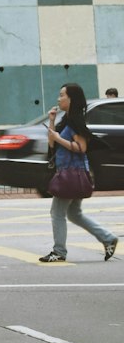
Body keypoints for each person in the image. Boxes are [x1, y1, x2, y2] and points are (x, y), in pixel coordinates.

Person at [40, 82, 118, 263]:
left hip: (72, 173)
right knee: (74, 213)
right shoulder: (66, 120)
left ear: (71, 99)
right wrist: (52, 122)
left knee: (57, 212)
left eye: (62, 95)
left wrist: (59, 138)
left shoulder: (76, 121)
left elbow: (81, 147)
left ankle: (59, 251)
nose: (58, 99)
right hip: (70, 172)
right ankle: (108, 238)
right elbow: (53, 145)